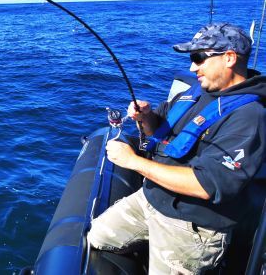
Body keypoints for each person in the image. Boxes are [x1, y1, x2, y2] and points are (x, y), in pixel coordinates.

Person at [87, 22, 266, 274]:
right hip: (151, 198)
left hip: (191, 226)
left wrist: (133, 161)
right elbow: (161, 126)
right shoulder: (199, 90)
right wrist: (146, 117)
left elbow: (207, 185)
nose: (193, 67)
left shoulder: (250, 117)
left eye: (199, 57)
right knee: (93, 238)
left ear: (229, 58)